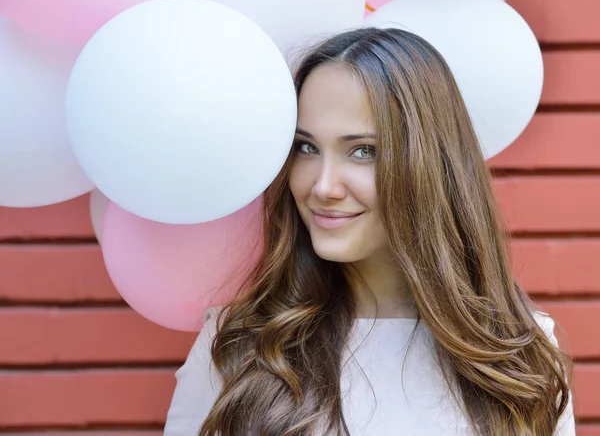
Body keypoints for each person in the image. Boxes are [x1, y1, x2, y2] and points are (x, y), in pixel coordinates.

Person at [164, 27, 576, 435]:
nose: (323, 187)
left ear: (428, 166)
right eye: (305, 147)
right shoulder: (237, 348)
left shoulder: (519, 355)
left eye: (363, 151)